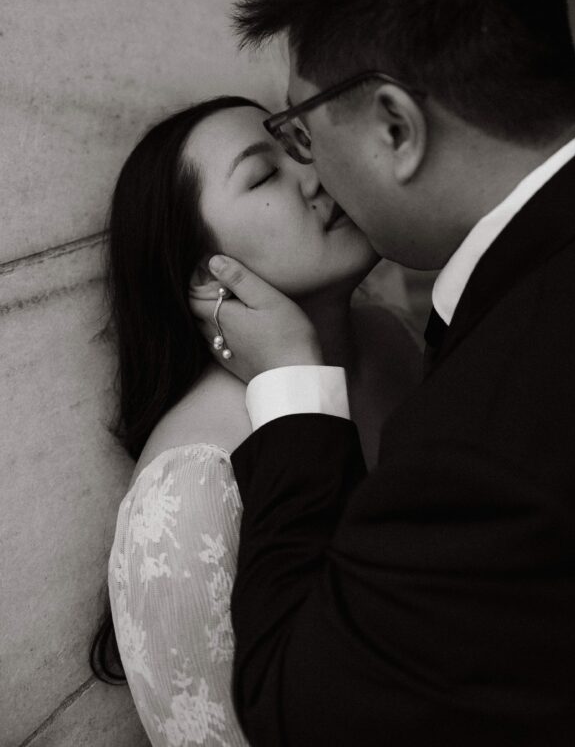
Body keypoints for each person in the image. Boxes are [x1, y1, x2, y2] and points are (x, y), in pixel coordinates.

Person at [192, 0, 575, 746]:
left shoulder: (482, 452)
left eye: (299, 130)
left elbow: (301, 711)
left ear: (394, 126)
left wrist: (296, 393)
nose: (310, 171)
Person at [89, 95, 421, 746]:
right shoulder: (191, 485)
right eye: (263, 174)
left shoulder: (388, 338)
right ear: (205, 277)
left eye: (303, 147)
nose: (317, 173)